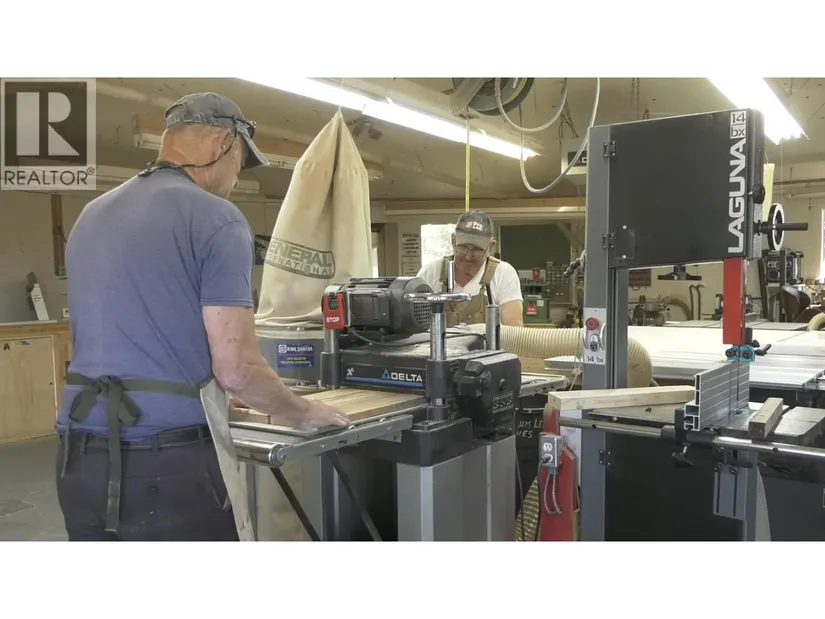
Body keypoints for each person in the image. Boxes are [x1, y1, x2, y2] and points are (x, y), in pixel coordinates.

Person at [54, 92, 349, 542]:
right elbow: (237, 370)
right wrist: (303, 412)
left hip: (79, 459)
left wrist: (213, 402)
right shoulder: (216, 219)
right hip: (166, 466)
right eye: (240, 163)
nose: (236, 177)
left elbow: (131, 338)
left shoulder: (92, 215)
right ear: (223, 143)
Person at [417, 210, 523, 326]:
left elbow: (514, 330)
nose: (468, 256)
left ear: (490, 247)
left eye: (477, 249)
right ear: (453, 242)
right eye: (463, 247)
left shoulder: (503, 273)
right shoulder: (430, 273)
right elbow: (413, 325)